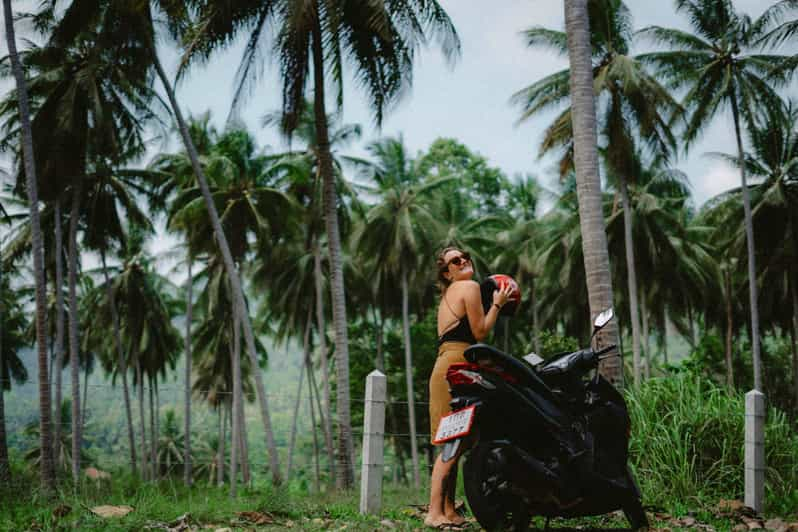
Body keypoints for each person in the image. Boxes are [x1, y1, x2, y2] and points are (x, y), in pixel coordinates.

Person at [425, 246, 512, 529]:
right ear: (447, 272)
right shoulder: (469, 287)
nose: (463, 261)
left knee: (454, 438)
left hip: (444, 366)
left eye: (464, 257)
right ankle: (434, 512)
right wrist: (497, 303)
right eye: (454, 261)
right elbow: (480, 332)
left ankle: (448, 510)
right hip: (456, 366)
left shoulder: (448, 295)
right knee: (454, 439)